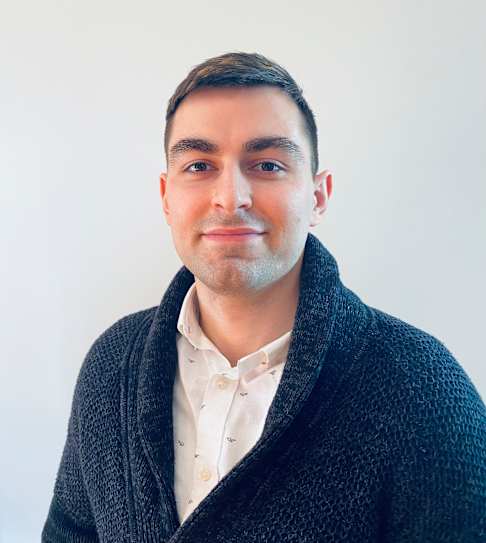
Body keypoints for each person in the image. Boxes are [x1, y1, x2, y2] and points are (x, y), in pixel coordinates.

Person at [42, 51, 486, 542]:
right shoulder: (112, 365)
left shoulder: (421, 389)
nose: (231, 197)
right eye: (199, 165)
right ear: (167, 197)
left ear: (318, 196)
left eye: (268, 164)